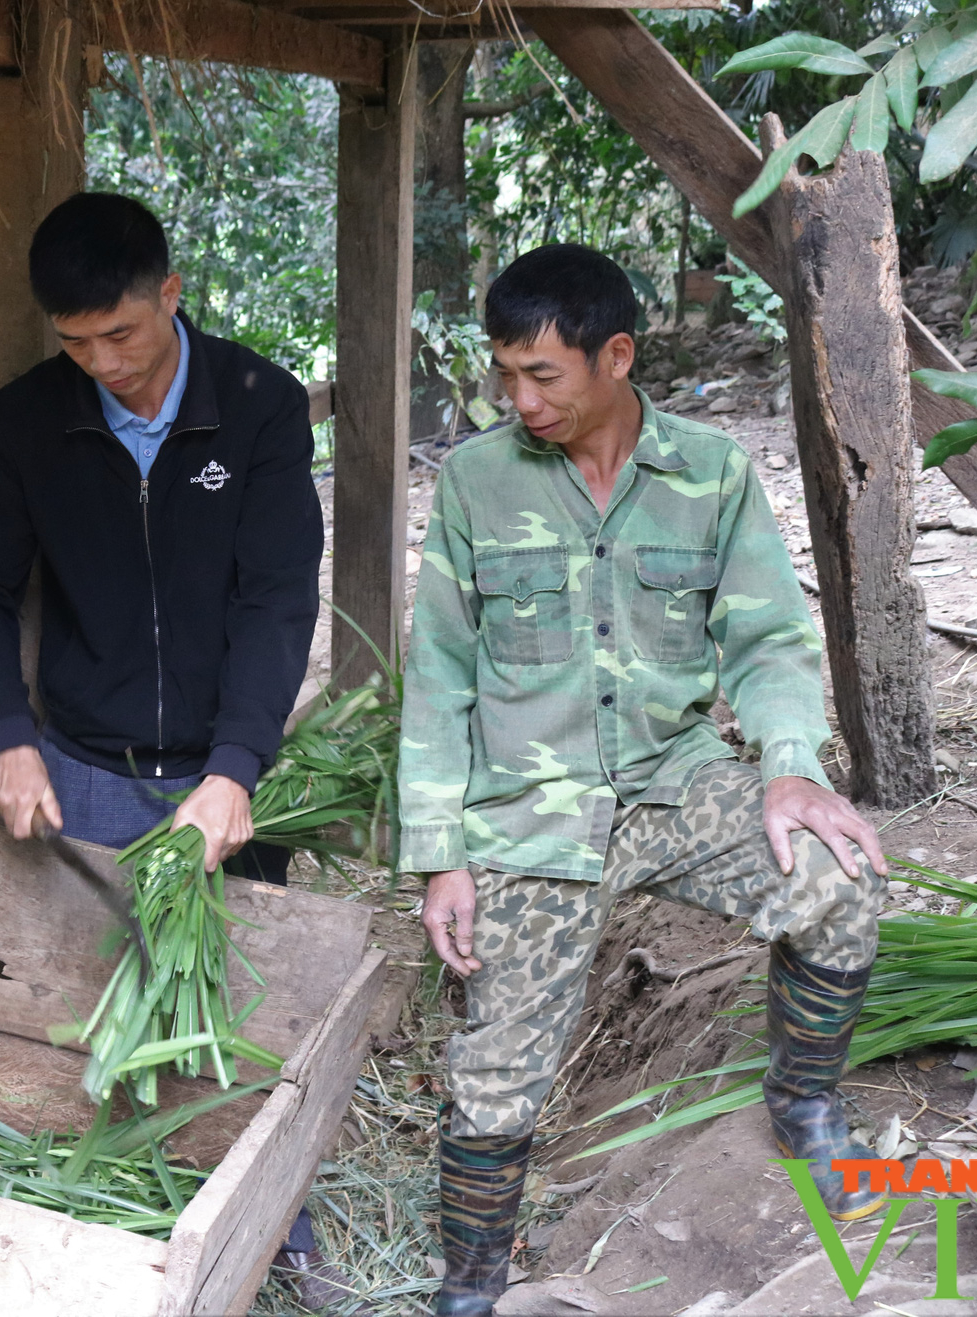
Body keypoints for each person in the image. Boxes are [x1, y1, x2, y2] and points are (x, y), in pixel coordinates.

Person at [398, 244, 888, 1317]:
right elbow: (435, 674)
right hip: (532, 812)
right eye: (504, 376)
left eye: (542, 376)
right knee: (494, 1073)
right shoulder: (476, 483)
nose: (518, 400)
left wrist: (789, 770)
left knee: (838, 881)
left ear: (615, 355)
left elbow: (765, 641)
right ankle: (469, 1286)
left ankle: (803, 1103)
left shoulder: (709, 473)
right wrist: (437, 853)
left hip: (674, 780)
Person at [0, 192, 345, 1305]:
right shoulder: (28, 418)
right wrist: (6, 735)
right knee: (90, 1008)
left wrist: (235, 767)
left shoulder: (255, 403)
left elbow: (275, 598)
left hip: (220, 769)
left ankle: (275, 1231)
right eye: (74, 342)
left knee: (238, 1013)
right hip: (84, 766)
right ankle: (98, 1237)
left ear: (170, 294)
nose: (101, 362)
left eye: (119, 333)